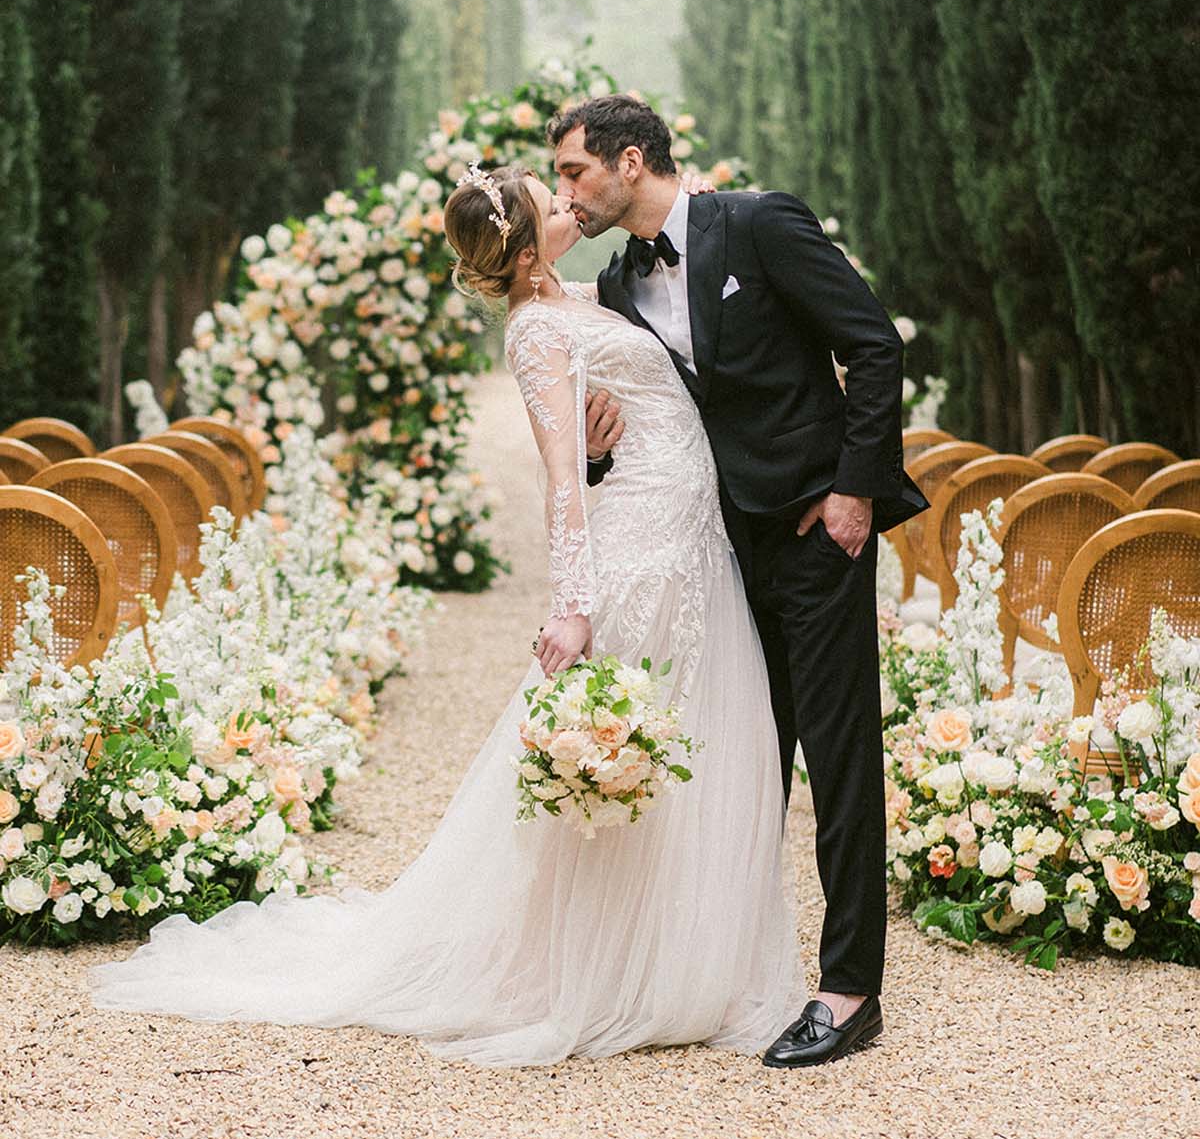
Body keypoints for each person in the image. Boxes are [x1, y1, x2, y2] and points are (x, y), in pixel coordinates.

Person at [90, 164, 796, 1067]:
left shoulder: (581, 297)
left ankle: (678, 946)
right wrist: (572, 607)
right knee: (642, 735)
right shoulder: (536, 329)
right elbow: (555, 480)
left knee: (694, 733)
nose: (568, 204)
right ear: (529, 237)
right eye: (552, 200)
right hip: (643, 550)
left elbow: (664, 321)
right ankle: (604, 966)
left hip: (689, 530)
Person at [550, 95, 927, 1068]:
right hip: (718, 553)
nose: (567, 193)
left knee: (840, 759)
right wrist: (597, 457)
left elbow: (873, 342)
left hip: (813, 533)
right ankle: (731, 971)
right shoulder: (618, 286)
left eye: (573, 172)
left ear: (631, 159)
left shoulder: (759, 224)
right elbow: (652, 427)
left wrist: (852, 496)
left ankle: (849, 991)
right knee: (746, 760)